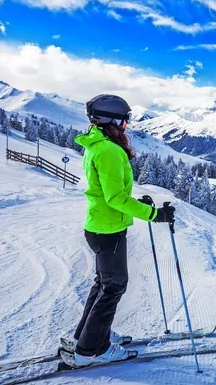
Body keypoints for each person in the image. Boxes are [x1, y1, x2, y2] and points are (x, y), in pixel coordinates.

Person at [67, 94, 175, 366]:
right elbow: (115, 198)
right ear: (112, 120)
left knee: (104, 283)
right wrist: (154, 214)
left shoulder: (97, 145)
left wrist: (137, 202)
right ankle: (91, 350)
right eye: (124, 121)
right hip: (109, 229)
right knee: (114, 286)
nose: (126, 125)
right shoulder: (110, 151)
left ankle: (89, 335)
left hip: (99, 225)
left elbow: (109, 192)